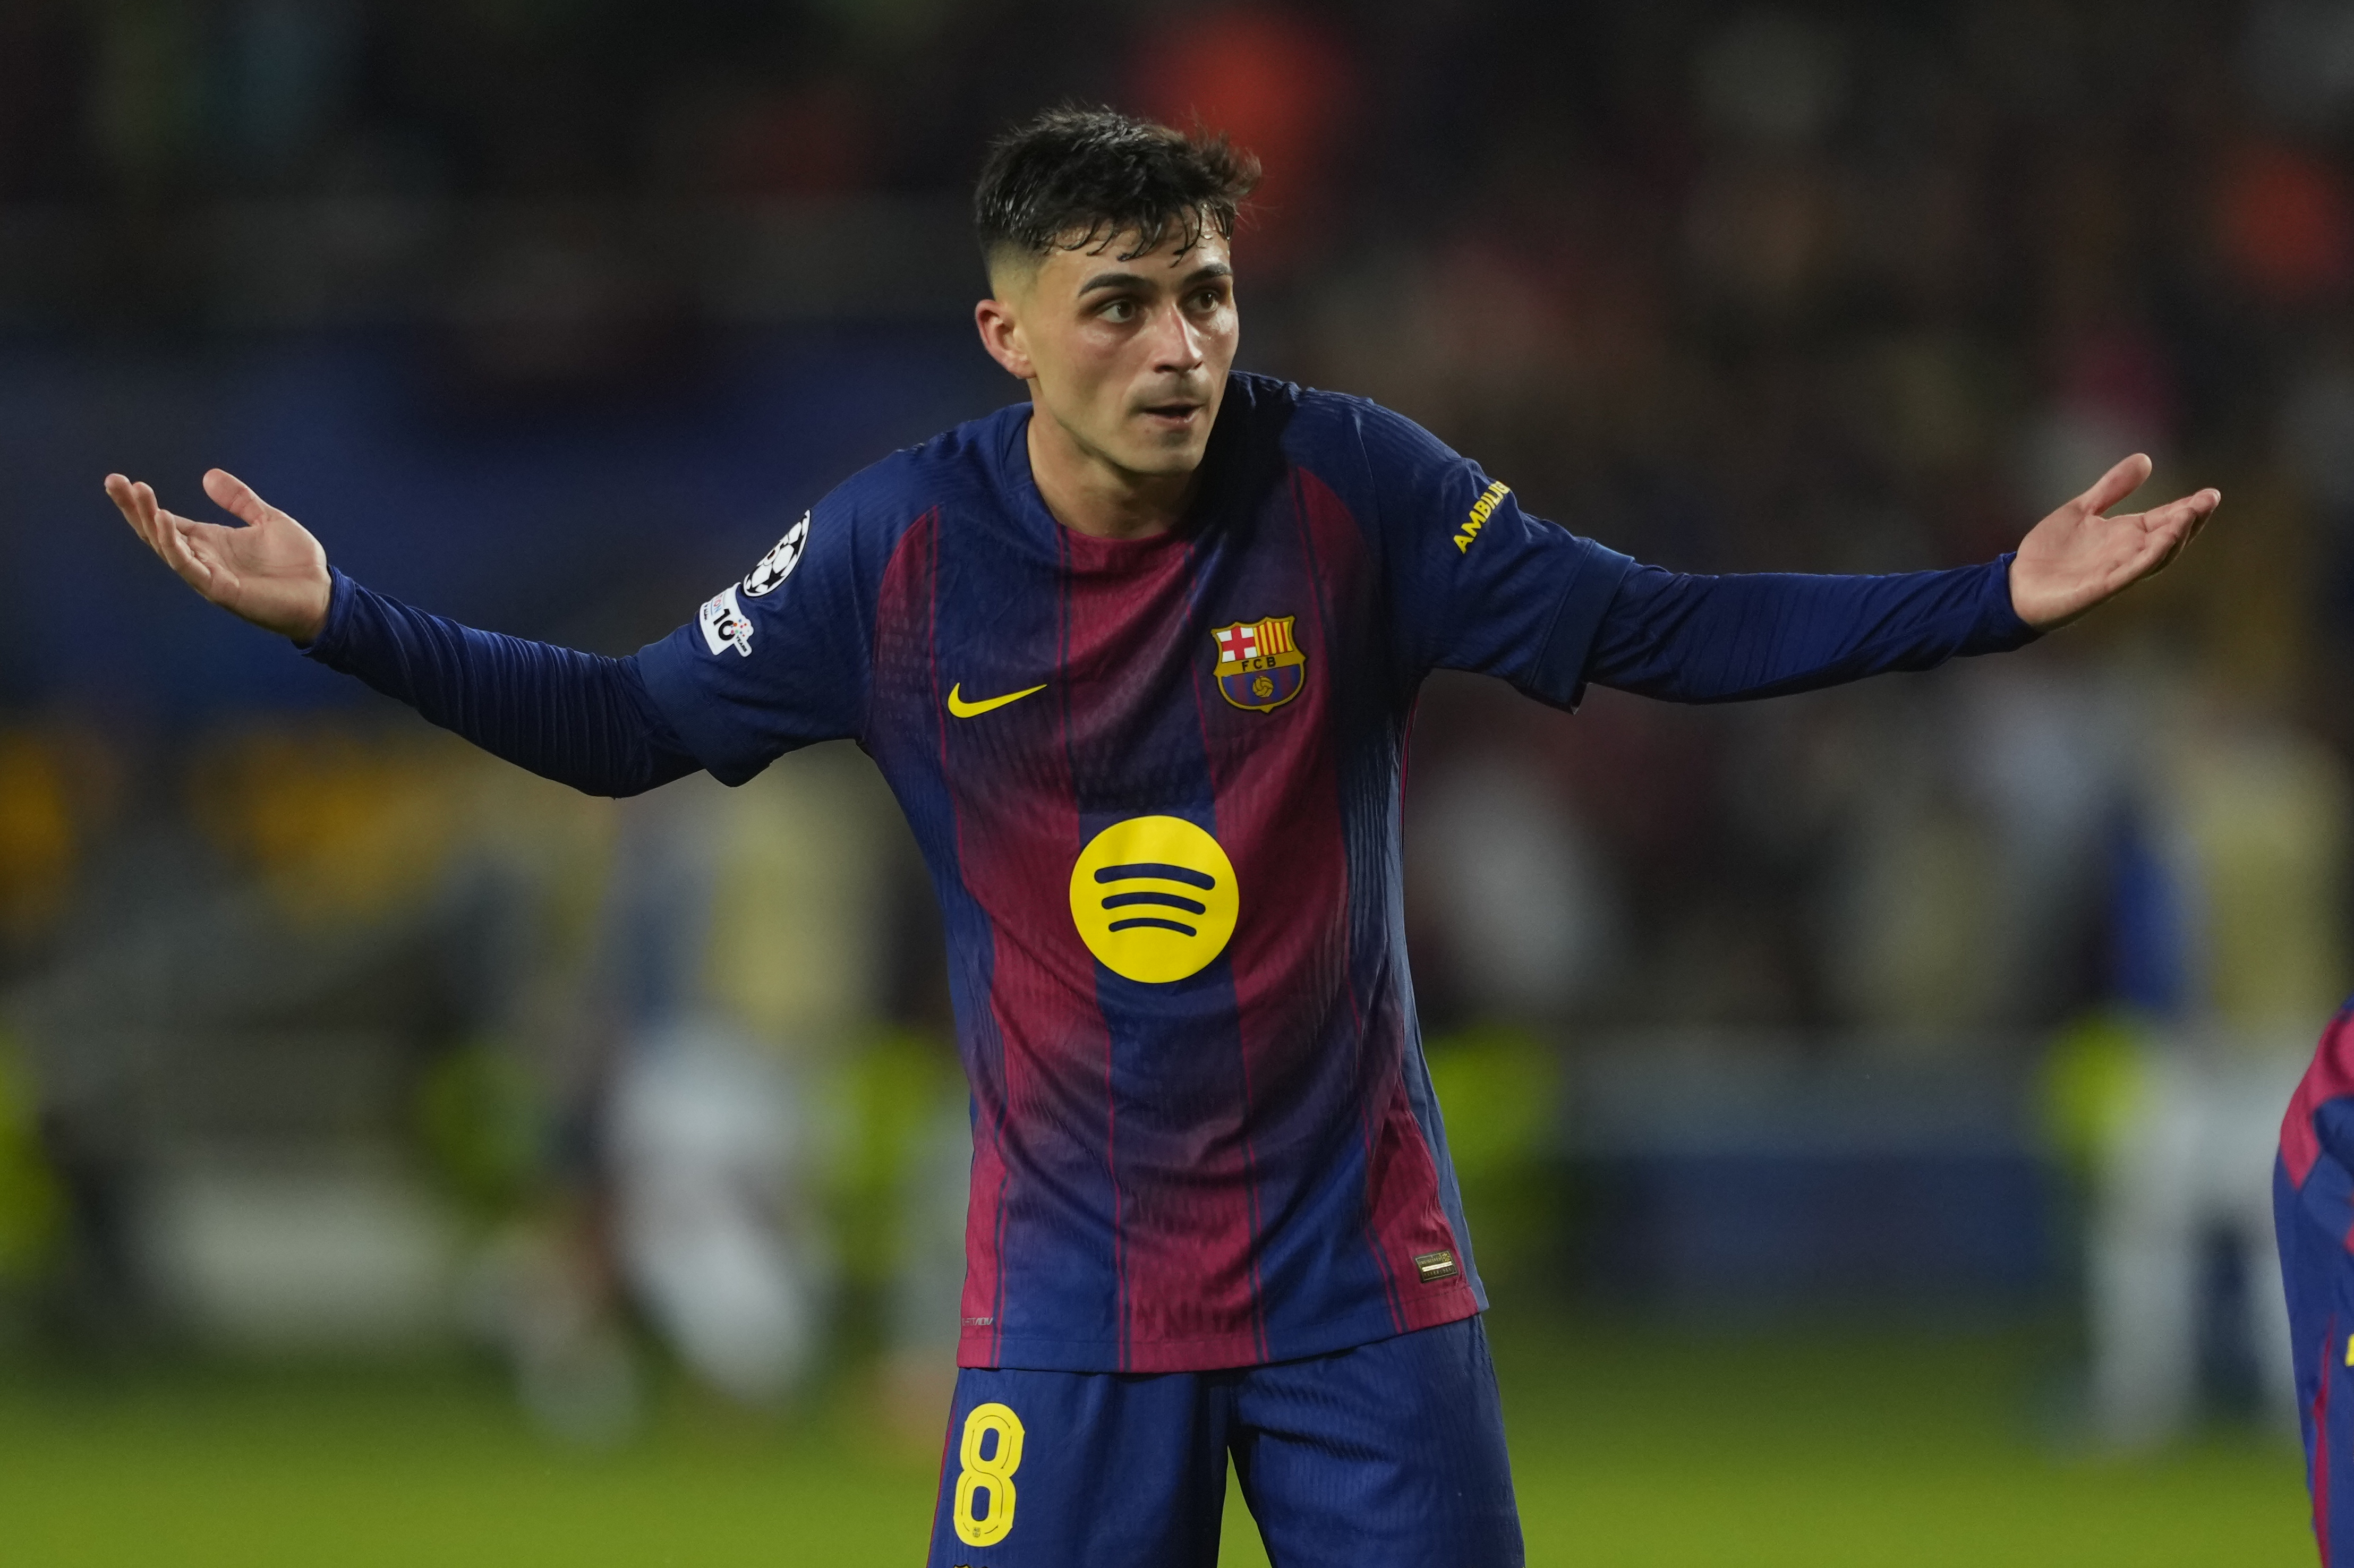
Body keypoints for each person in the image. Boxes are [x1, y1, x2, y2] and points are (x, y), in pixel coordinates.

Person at [105, 107, 2216, 1568]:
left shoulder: (1353, 489)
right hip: (1068, 1299)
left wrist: (1985, 599)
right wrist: (341, 616)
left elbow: (1650, 624)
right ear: (1006, 334)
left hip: (1359, 1290)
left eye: (1205, 291)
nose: (1181, 342)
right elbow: (627, 726)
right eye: (1118, 302)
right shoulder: (894, 552)